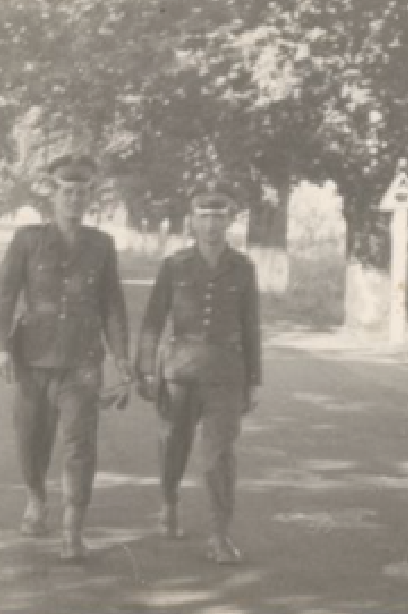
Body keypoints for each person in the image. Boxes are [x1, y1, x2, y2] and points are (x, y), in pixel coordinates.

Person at [0, 153, 133, 562]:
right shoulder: (28, 240)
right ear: (52, 195)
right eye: (66, 191)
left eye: (82, 192)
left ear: (91, 197)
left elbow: (112, 306)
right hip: (33, 358)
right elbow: (4, 296)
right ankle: (36, 497)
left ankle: (73, 526)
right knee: (31, 439)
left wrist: (121, 360)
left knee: (79, 443)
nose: (74, 199)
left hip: (82, 360)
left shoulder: (101, 245)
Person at [134, 177, 262, 565]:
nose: (210, 224)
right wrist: (145, 368)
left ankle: (220, 534)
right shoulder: (175, 266)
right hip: (180, 373)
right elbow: (154, 320)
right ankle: (169, 501)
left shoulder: (242, 267)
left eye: (218, 216)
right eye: (203, 216)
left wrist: (254, 380)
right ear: (191, 221)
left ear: (230, 221)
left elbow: (250, 325)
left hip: (226, 373)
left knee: (218, 455)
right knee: (174, 445)